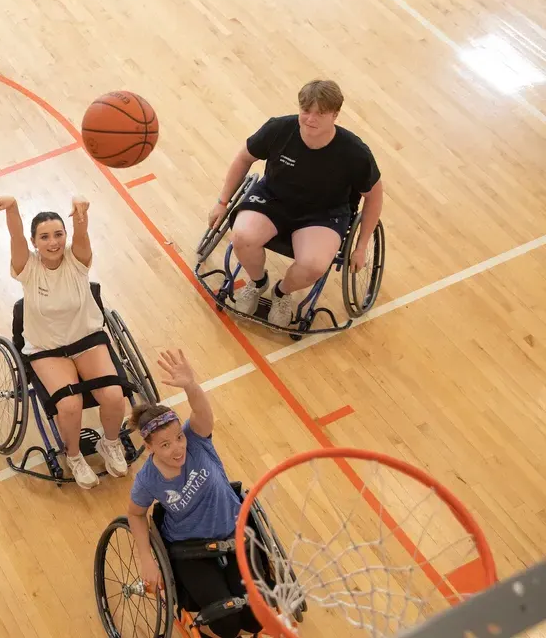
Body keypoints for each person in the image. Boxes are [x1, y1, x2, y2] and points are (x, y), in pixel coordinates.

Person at [0, 190, 128, 489]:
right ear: (35, 243)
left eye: (58, 234)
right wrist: (13, 208)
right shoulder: (28, 267)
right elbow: (16, 238)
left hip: (87, 339)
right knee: (70, 406)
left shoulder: (77, 260)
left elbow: (82, 235)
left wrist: (81, 213)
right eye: (44, 237)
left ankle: (109, 443)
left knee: (113, 395)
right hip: (47, 350)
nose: (53, 242)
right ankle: (73, 456)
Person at [207, 79, 383, 328]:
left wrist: (362, 245)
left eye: (320, 113)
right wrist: (222, 202)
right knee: (242, 236)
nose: (310, 119)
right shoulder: (279, 129)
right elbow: (243, 158)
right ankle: (257, 283)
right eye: (306, 111)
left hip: (323, 214)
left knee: (313, 264)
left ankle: (281, 293)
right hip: (273, 199)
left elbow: (374, 196)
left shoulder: (354, 152)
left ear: (335, 114)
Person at [127, 349, 262, 638]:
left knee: (254, 620)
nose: (177, 448)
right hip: (192, 549)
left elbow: (201, 411)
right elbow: (135, 513)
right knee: (227, 626)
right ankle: (199, 622)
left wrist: (190, 385)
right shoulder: (147, 479)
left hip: (233, 535)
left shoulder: (197, 440)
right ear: (149, 448)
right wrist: (146, 558)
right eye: (165, 445)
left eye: (177, 438)